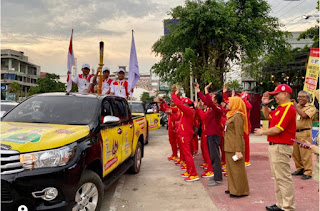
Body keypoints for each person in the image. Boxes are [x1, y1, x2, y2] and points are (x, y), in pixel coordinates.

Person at [254, 84, 296, 211]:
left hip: (281, 147)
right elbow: (268, 116)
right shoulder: (280, 108)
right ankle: (280, 203)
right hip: (275, 146)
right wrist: (264, 105)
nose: (275, 97)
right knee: (278, 177)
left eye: (277, 94)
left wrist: (263, 132)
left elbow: (278, 129)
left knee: (283, 177)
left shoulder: (289, 108)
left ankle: (288, 206)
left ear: (285, 94)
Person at [194, 82, 223, 186]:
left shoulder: (218, 109)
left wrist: (204, 91)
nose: (212, 99)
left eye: (213, 97)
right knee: (212, 156)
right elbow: (207, 101)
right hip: (210, 134)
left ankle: (218, 179)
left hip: (214, 135)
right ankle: (216, 176)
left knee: (215, 157)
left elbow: (209, 102)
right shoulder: (212, 108)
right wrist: (199, 90)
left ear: (216, 101)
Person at [172, 85, 199, 182]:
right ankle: (189, 171)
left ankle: (193, 174)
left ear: (187, 105)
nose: (183, 105)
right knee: (186, 154)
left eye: (184, 104)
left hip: (186, 135)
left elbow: (179, 104)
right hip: (184, 134)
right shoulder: (187, 111)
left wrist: (174, 95)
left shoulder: (189, 111)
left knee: (188, 155)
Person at [224, 96, 249, 198]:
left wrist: (238, 150)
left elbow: (239, 134)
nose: (227, 104)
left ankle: (239, 191)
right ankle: (232, 188)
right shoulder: (231, 115)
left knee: (237, 170)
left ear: (235, 103)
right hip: (229, 146)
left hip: (235, 146)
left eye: (229, 102)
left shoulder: (238, 116)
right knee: (230, 169)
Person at [291, 90, 317, 180]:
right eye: (299, 96)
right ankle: (299, 168)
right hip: (294, 132)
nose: (300, 98)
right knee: (295, 153)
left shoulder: (311, 108)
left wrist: (295, 107)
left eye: (303, 97)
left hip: (304, 133)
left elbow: (304, 115)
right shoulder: (295, 106)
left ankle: (308, 171)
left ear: (307, 98)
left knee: (305, 153)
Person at [195, 100, 214, 178]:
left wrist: (198, 108)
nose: (202, 103)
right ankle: (208, 165)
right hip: (204, 132)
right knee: (204, 150)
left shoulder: (211, 110)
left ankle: (210, 170)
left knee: (208, 151)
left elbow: (203, 117)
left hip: (208, 133)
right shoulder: (208, 110)